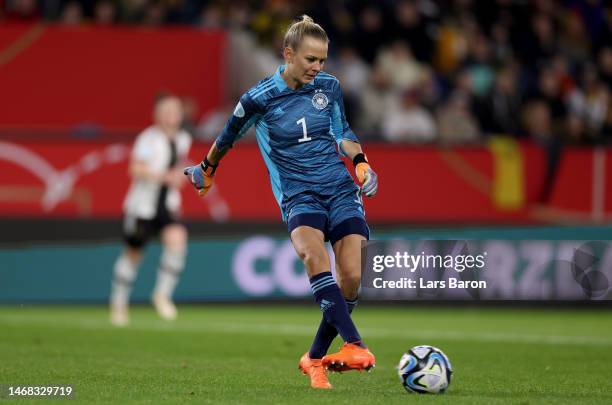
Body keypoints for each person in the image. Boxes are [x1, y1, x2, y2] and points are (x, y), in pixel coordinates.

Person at [184, 15, 378, 389]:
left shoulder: (329, 87)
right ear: (288, 54)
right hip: (297, 193)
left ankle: (314, 357)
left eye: (322, 60)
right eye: (310, 60)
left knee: (351, 277)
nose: (317, 67)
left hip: (338, 188)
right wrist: (206, 169)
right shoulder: (259, 98)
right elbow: (227, 136)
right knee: (312, 255)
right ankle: (355, 344)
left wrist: (362, 163)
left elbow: (343, 132)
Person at [110, 95, 191, 327]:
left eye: (175, 110)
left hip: (166, 205)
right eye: (166, 111)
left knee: (178, 239)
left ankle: (161, 295)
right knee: (134, 253)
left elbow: (176, 169)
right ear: (157, 115)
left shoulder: (183, 139)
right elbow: (135, 169)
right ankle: (119, 303)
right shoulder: (148, 139)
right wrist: (164, 177)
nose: (171, 115)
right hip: (142, 207)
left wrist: (180, 178)